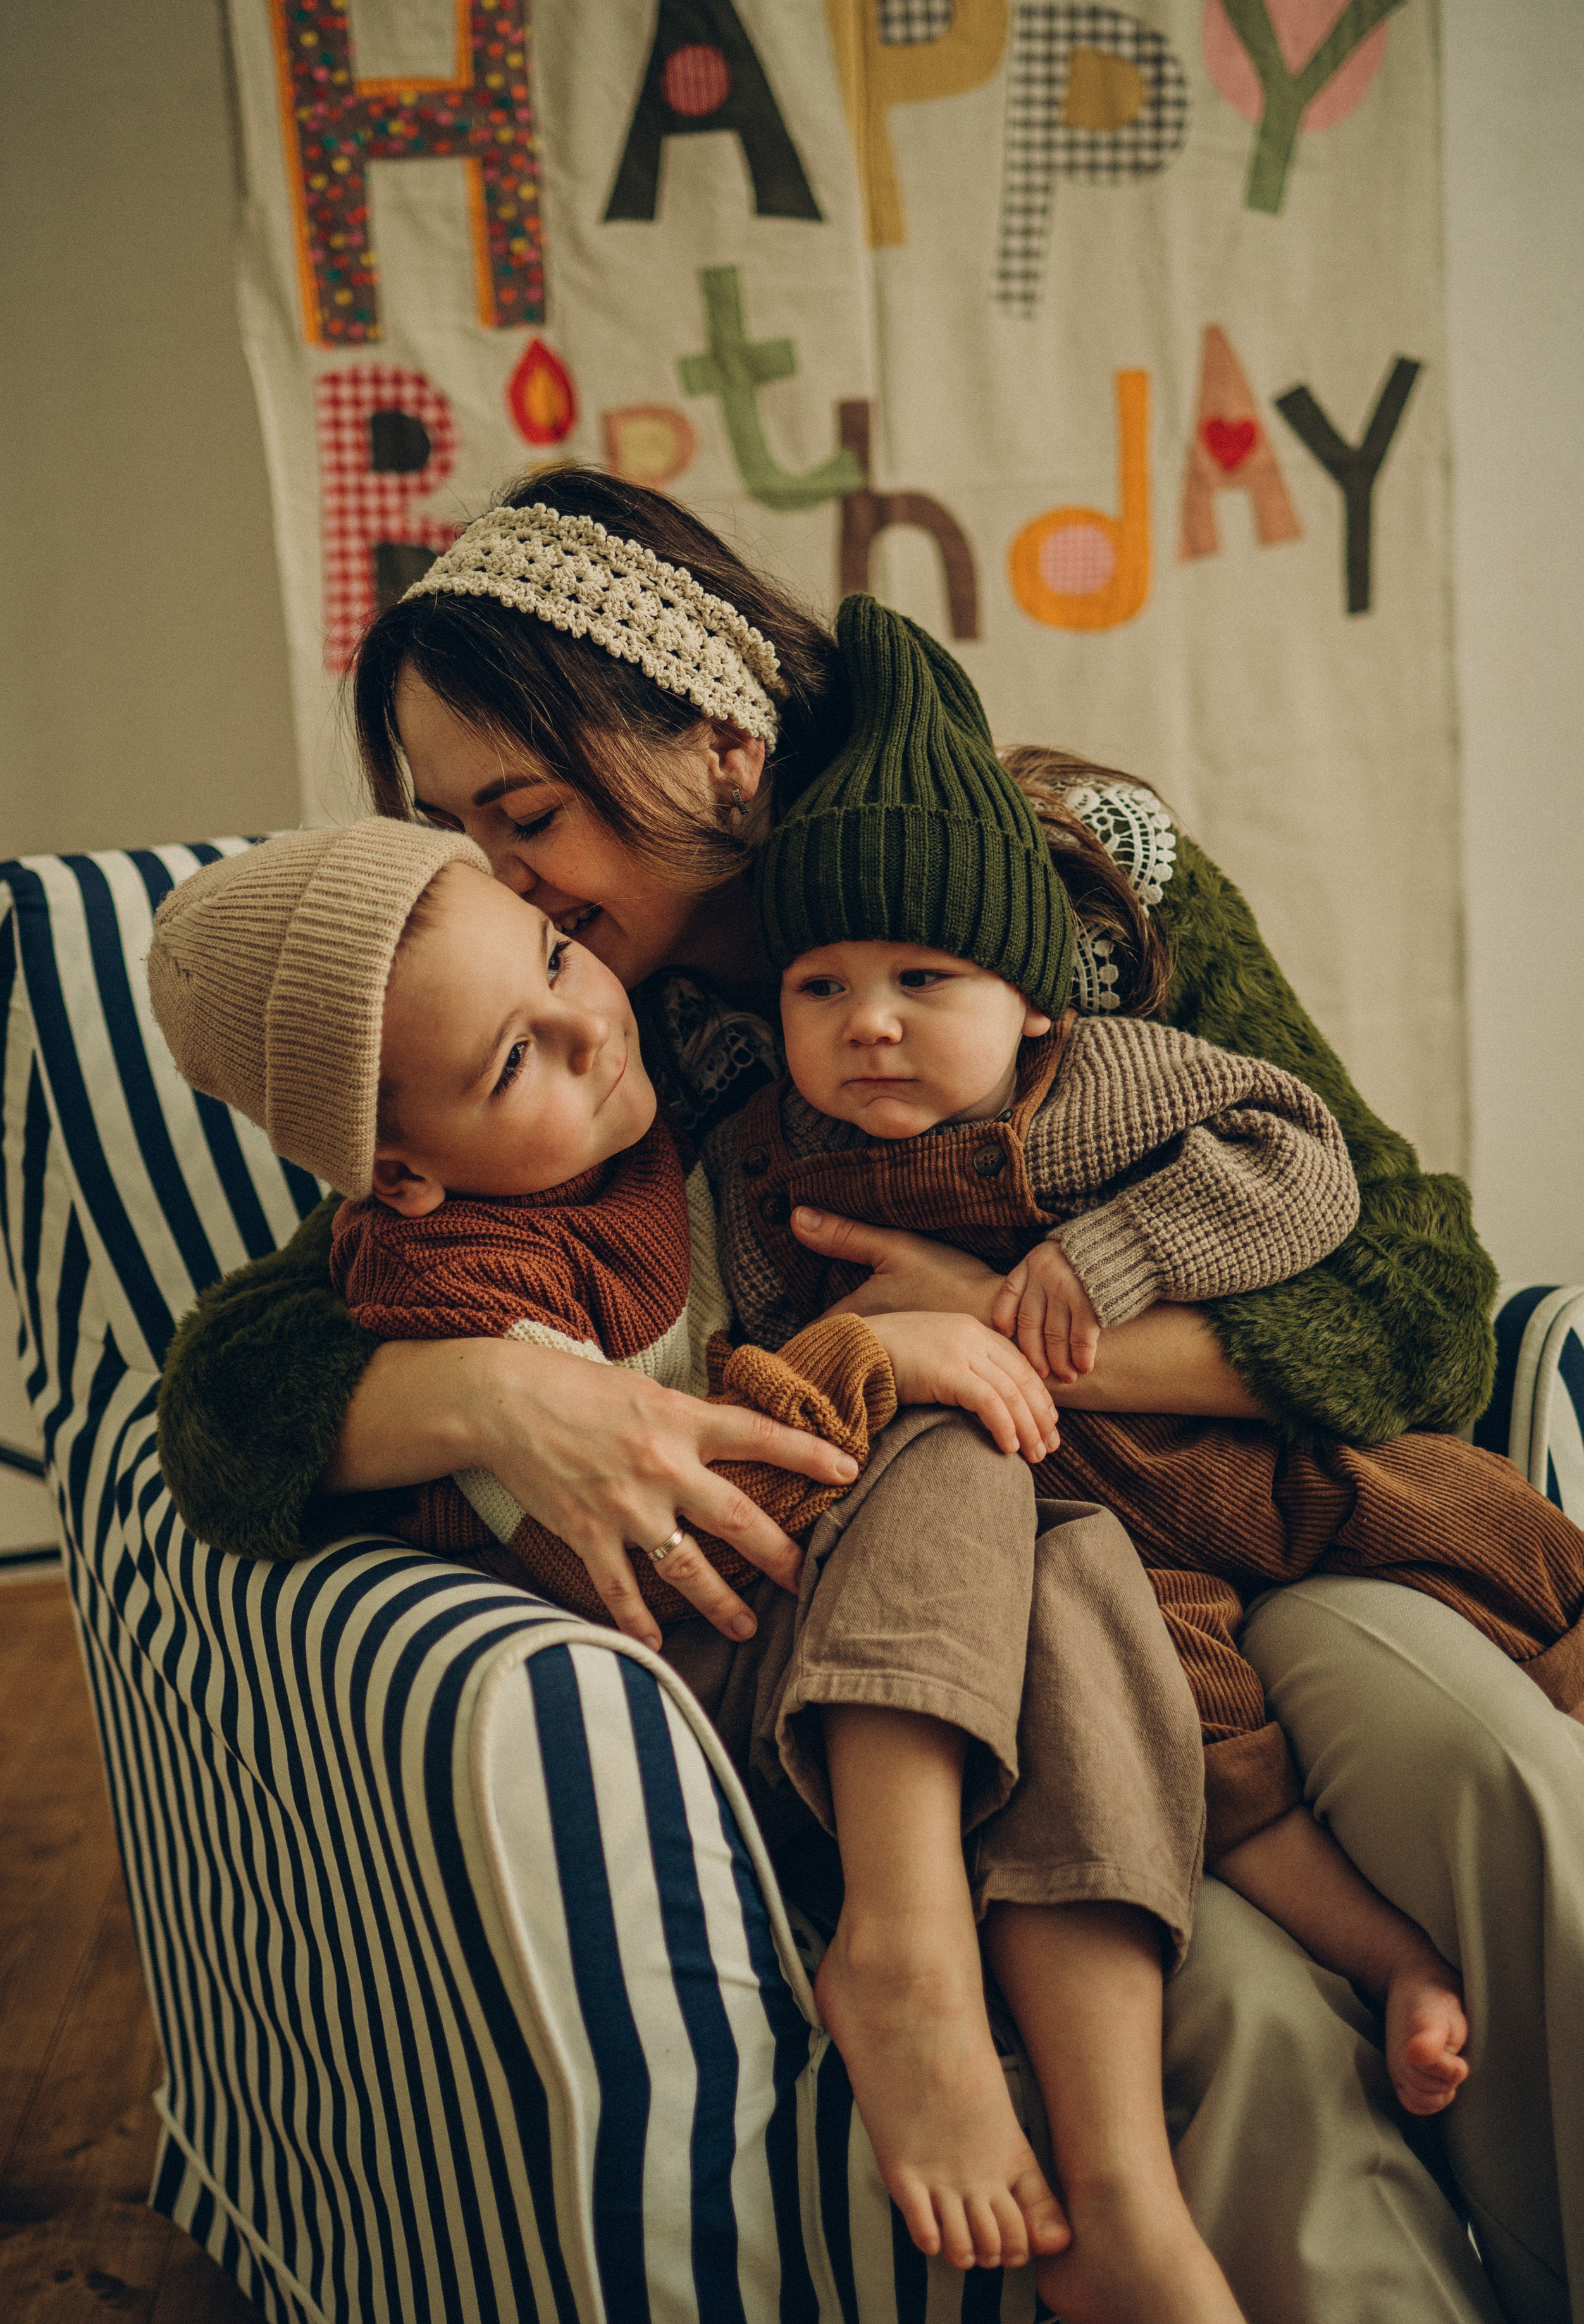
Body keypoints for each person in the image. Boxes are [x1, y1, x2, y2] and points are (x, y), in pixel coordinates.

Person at [151, 466, 1576, 2323]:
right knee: (1230, 2010)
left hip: (1277, 1530)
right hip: (1023, 1642)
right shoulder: (582, 1043)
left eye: (527, 815)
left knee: (1505, 1787)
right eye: (450, 827)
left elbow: (1417, 1289)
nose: (496, 882)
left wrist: (1016, 1329)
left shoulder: (1076, 879)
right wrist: (503, 1399)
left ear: (720, 751)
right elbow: (235, 1388)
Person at [708, 588, 1584, 2125]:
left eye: (926, 980)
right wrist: (864, 1348)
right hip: (1089, 1540)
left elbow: (1300, 1163)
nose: (870, 1025)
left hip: (1253, 1464)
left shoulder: (1100, 1083)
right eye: (820, 987)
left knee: (1469, 1518)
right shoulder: (769, 1161)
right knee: (1209, 1755)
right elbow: (780, 1352)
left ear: (1036, 1000)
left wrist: (1094, 1265)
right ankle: (1384, 1962)